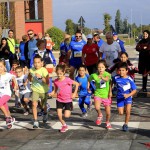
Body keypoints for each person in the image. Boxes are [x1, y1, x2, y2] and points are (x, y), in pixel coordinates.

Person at [49, 64, 79, 133]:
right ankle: (64, 125)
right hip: (59, 99)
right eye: (58, 74)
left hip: (68, 100)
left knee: (66, 116)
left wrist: (74, 93)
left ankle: (68, 109)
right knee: (59, 114)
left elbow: (77, 84)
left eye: (61, 74)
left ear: (64, 73)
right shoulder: (56, 81)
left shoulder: (67, 80)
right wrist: (52, 93)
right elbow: (56, 89)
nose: (59, 75)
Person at [112, 62, 137, 131]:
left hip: (128, 97)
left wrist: (128, 95)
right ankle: (124, 111)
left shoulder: (130, 79)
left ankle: (126, 124)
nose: (121, 72)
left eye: (123, 70)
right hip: (119, 97)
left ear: (127, 71)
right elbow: (111, 81)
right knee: (121, 113)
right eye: (120, 70)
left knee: (128, 111)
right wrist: (112, 90)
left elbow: (134, 90)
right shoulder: (116, 77)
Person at [89, 60, 112, 129]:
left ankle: (107, 122)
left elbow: (107, 80)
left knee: (108, 112)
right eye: (99, 67)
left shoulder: (107, 74)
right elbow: (89, 79)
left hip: (106, 95)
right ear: (97, 68)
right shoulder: (94, 75)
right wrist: (89, 87)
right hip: (98, 93)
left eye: (102, 67)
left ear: (105, 68)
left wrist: (102, 77)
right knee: (97, 107)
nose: (101, 69)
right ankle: (99, 114)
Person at [28, 55, 49, 128]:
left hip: (43, 90)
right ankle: (35, 121)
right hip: (35, 90)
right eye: (35, 62)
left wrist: (41, 77)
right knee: (34, 104)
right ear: (33, 63)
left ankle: (45, 113)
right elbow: (30, 79)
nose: (36, 64)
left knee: (43, 106)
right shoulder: (31, 70)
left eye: (38, 62)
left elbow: (47, 82)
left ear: (41, 63)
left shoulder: (44, 70)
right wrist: (30, 76)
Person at [0, 59, 16, 129]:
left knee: (0, 103)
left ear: (4, 67)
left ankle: (7, 117)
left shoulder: (7, 75)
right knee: (5, 108)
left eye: (1, 66)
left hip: (7, 93)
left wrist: (15, 85)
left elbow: (14, 77)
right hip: (1, 94)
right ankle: (10, 119)